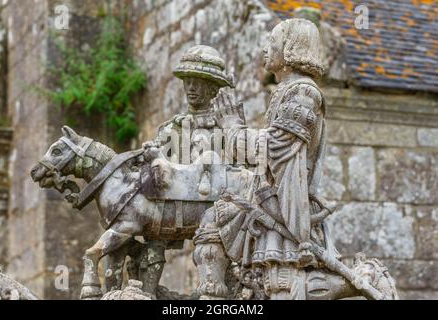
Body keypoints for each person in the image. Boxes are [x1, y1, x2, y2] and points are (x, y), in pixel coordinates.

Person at [194, 18, 342, 300]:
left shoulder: (304, 92)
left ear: (290, 49)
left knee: (279, 287)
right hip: (269, 203)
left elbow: (274, 148)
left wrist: (232, 127)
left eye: (272, 43)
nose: (265, 49)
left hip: (284, 212)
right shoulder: (287, 91)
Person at [116, 45, 235, 297]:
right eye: (187, 82)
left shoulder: (226, 129)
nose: (191, 88)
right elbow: (152, 171)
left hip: (212, 207)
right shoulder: (171, 128)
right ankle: (146, 292)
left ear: (213, 88)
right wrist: (153, 155)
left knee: (218, 245)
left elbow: (234, 169)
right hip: (171, 207)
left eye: (198, 83)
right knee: (150, 231)